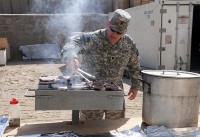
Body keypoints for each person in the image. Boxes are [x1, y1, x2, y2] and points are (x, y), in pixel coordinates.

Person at [61, 9, 142, 120]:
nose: (115, 34)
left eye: (119, 33)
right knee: (90, 130)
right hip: (91, 95)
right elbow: (72, 44)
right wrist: (71, 57)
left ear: (125, 31)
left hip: (114, 94)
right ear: (108, 24)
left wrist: (135, 85)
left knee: (115, 129)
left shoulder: (128, 44)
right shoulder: (93, 38)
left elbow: (135, 65)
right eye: (113, 30)